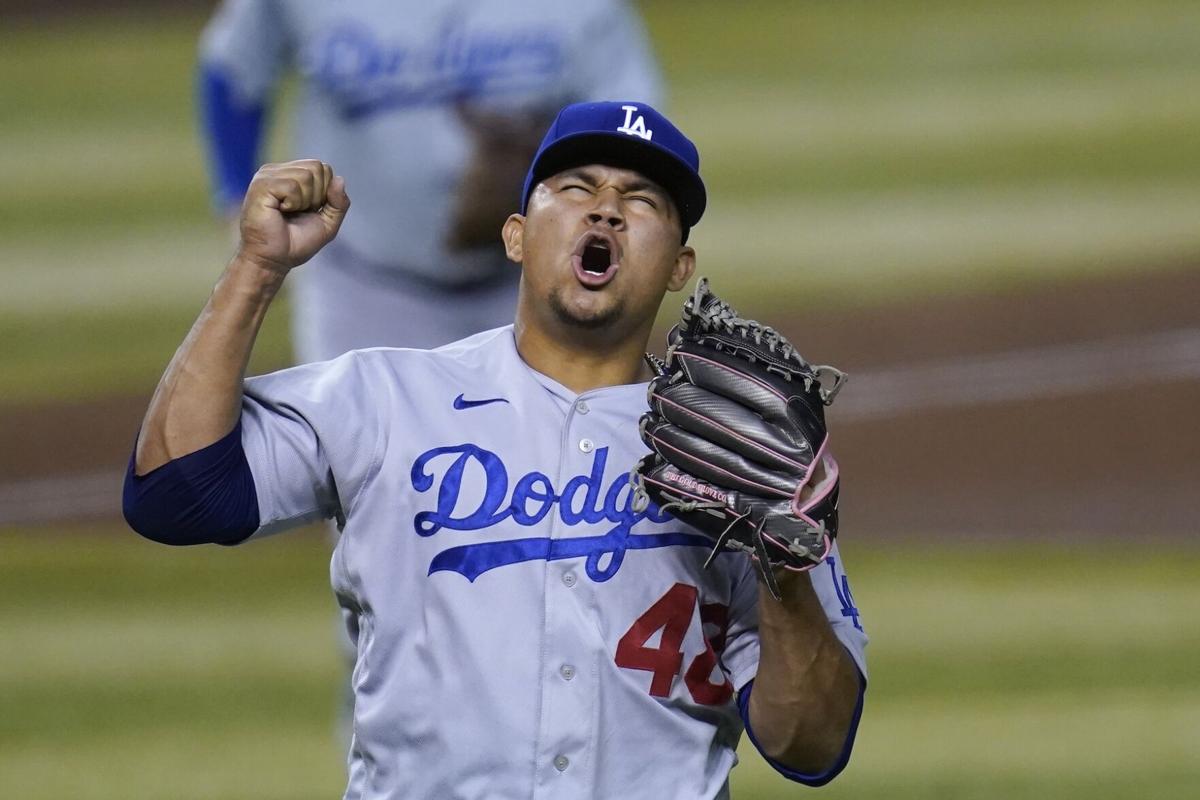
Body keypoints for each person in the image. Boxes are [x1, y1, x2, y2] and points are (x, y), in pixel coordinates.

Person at [125, 101, 867, 799]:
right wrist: (258, 267)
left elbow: (813, 746)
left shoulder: (745, 459)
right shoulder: (387, 399)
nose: (606, 206)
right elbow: (175, 493)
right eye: (576, 186)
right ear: (516, 235)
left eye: (642, 200)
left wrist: (786, 571)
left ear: (680, 264)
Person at [198, 0, 663, 361]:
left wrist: (546, 164)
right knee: (352, 469)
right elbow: (232, 70)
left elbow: (634, 124)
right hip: (362, 286)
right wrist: (236, 194)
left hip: (533, 286)